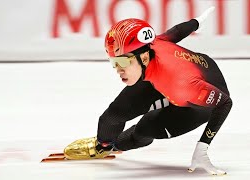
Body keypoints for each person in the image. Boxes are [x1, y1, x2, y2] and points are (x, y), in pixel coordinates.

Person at [64, 7, 232, 175]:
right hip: (167, 75)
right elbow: (175, 33)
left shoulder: (182, 85)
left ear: (144, 58)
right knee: (114, 115)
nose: (118, 70)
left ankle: (116, 145)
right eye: (114, 63)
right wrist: (196, 22)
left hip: (197, 105)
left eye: (122, 62)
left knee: (145, 129)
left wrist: (203, 146)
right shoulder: (152, 45)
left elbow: (225, 103)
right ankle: (103, 145)